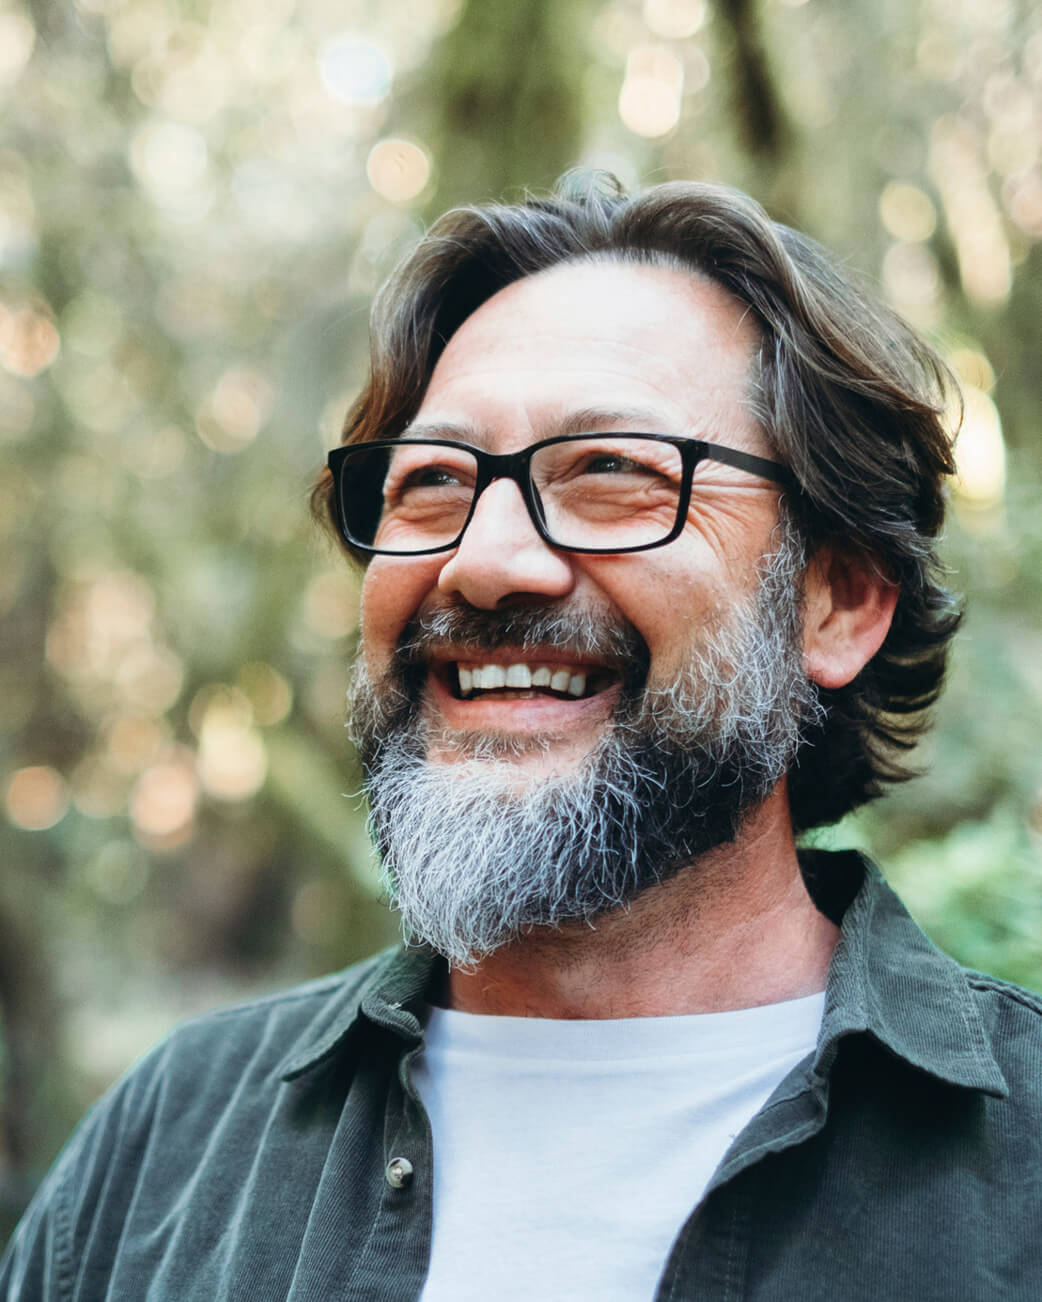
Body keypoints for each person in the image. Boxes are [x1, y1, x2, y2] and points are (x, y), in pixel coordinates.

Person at [3, 173, 1041, 1301]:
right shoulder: (164, 1148)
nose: (484, 561)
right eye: (431, 483)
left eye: (611, 472)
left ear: (836, 602)